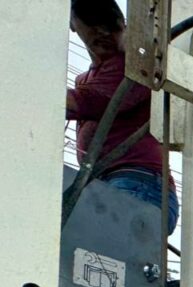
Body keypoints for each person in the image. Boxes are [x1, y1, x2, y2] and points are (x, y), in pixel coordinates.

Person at [67, 0, 179, 233]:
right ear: (74, 27)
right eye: (94, 29)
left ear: (122, 24)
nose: (103, 34)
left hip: (137, 181)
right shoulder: (86, 79)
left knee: (104, 255)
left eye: (111, 27)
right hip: (106, 183)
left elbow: (89, 101)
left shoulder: (132, 66)